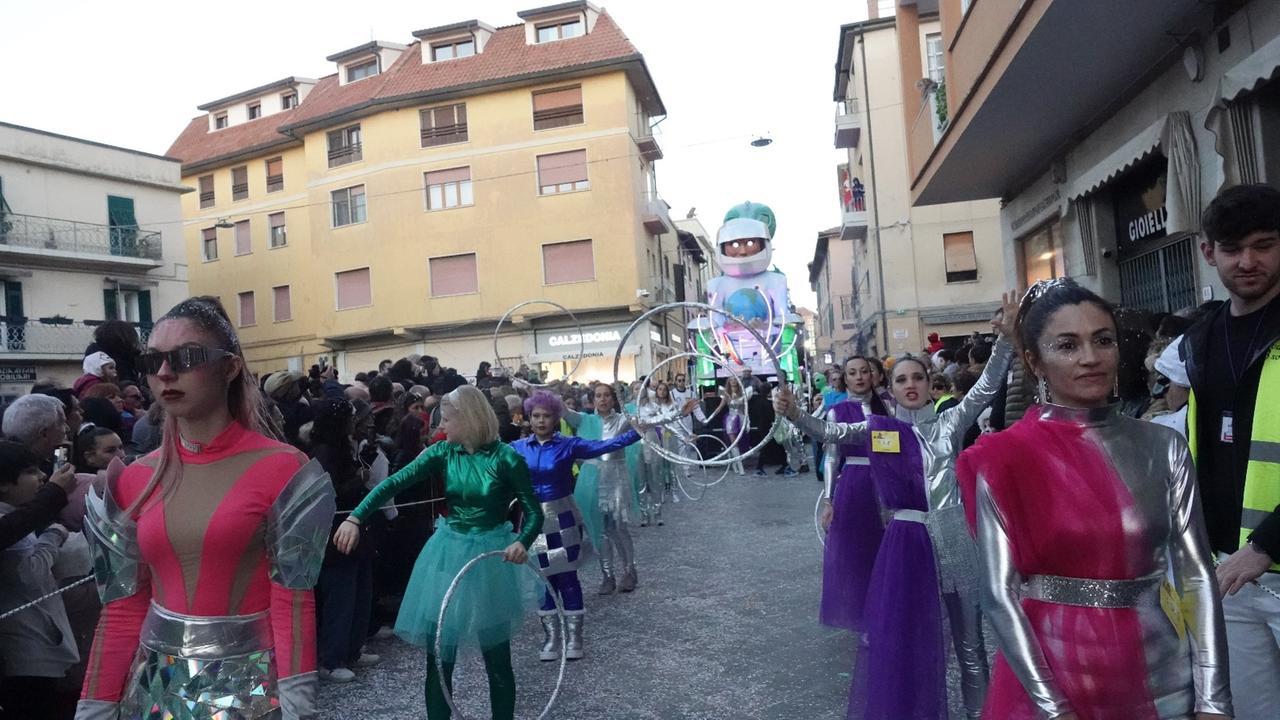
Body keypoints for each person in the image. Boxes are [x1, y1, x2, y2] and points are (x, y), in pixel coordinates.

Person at [958, 279, 1232, 719]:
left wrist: (1214, 699)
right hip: (1052, 671)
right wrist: (1054, 709)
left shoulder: (1163, 446)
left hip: (1163, 672)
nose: (1090, 358)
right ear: (1035, 360)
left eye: (1102, 340)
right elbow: (999, 593)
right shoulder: (1001, 458)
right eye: (1067, 345)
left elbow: (1196, 574)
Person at [75, 296, 336, 720]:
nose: (165, 372)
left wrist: (298, 707)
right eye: (153, 359)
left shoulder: (283, 468)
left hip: (252, 694)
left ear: (230, 366)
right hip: (154, 693)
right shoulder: (134, 479)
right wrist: (94, 708)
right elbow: (122, 610)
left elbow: (292, 600)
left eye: (187, 357)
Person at [777, 290, 1018, 720]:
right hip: (908, 548)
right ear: (891, 388)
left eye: (918, 378)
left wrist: (1005, 342)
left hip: (956, 544)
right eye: (902, 380)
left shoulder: (950, 422)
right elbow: (832, 436)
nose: (910, 385)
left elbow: (985, 389)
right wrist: (796, 415)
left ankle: (978, 713)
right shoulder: (878, 430)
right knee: (911, 643)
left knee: (971, 646)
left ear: (930, 383)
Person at [334, 385, 541, 720]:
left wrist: (523, 541)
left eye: (446, 420)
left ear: (470, 420)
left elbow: (534, 511)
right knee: (439, 660)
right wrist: (356, 516)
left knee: (497, 658)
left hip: (492, 555)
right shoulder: (443, 452)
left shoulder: (507, 458)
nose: (440, 428)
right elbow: (392, 483)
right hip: (447, 552)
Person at [1183, 182, 1280, 720]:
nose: (1248, 261)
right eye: (1232, 248)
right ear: (1207, 252)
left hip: (1261, 554)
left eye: (1264, 244)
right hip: (1229, 570)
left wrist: (1266, 544)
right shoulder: (1200, 339)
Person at [511, 391, 642, 662]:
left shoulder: (568, 444)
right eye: (536, 416)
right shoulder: (519, 447)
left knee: (566, 576)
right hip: (534, 523)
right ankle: (551, 637)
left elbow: (605, 447)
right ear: (529, 417)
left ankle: (575, 637)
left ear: (557, 417)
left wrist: (638, 432)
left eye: (547, 416)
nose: (541, 421)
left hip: (563, 518)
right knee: (543, 578)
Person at [0, 442, 80, 719]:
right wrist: (55, 534)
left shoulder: (15, 515)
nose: (42, 477)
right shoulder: (8, 518)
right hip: (27, 649)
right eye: (31, 472)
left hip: (34, 646)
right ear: (5, 485)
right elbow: (30, 573)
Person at [817, 356, 891, 633]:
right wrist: (828, 499)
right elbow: (832, 458)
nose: (859, 377)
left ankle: (884, 612)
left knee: (885, 551)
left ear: (873, 376)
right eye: (852, 373)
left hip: (885, 485)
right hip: (855, 486)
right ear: (844, 378)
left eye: (864, 372)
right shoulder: (838, 412)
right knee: (857, 555)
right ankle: (864, 620)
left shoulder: (887, 410)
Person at [310, 399, 379, 684]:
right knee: (341, 594)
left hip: (356, 528)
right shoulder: (325, 452)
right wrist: (358, 480)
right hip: (336, 532)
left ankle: (352, 647)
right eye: (351, 417)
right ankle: (332, 657)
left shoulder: (344, 447)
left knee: (359, 589)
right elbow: (328, 493)